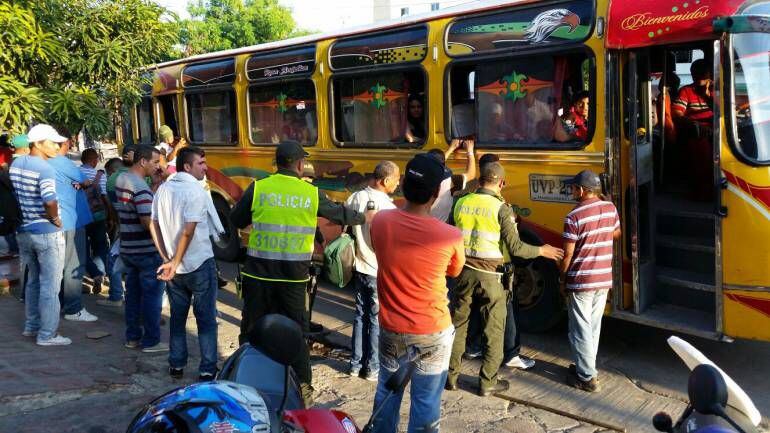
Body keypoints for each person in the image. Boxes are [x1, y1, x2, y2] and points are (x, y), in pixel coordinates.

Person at [229, 141, 372, 405]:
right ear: (299, 164)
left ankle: (242, 382)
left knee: (251, 328)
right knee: (297, 332)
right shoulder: (310, 193)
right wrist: (365, 217)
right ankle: (303, 387)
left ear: (277, 163)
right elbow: (339, 214)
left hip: (258, 275)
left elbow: (236, 220)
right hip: (293, 278)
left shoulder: (259, 188)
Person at [446, 162, 564, 396]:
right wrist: (542, 251)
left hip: (463, 273)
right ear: (502, 183)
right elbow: (517, 248)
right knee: (493, 329)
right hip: (492, 277)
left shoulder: (461, 202)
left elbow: (448, 235)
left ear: (480, 180)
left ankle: (450, 377)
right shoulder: (501, 209)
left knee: (459, 326)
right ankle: (487, 382)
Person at [368, 153, 465, 433]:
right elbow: (455, 270)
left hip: (391, 327)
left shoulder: (381, 221)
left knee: (387, 392)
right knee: (426, 401)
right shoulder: (450, 235)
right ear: (435, 194)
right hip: (431, 331)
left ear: (402, 186)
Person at [150, 146, 218, 381]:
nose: (205, 168)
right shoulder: (195, 191)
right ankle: (208, 368)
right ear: (187, 167)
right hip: (199, 263)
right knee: (206, 319)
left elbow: (153, 224)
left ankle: (176, 365)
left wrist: (166, 258)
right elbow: (188, 231)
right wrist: (174, 260)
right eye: (201, 163)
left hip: (174, 269)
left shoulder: (163, 190)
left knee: (178, 318)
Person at [559, 169, 620, 393]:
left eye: (574, 188)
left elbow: (567, 254)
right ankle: (587, 367)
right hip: (603, 278)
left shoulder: (574, 216)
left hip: (582, 280)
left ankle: (586, 377)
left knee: (579, 329)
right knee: (592, 327)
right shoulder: (610, 208)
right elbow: (616, 233)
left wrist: (562, 278)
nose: (572, 191)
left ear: (583, 190)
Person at [10, 124, 69, 345]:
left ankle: (31, 326)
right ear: (38, 143)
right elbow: (49, 200)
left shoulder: (17, 164)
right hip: (46, 232)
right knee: (50, 286)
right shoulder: (45, 169)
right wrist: (55, 219)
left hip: (24, 230)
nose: (57, 146)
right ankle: (47, 334)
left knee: (33, 281)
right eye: (52, 143)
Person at [344, 160, 400, 381]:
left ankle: (355, 364)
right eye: (396, 180)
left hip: (358, 265)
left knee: (360, 315)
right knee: (376, 319)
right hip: (377, 270)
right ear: (385, 180)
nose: (398, 184)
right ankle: (372, 368)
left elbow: (346, 224)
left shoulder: (355, 197)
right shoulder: (389, 209)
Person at [116, 144, 167, 353]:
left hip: (128, 248)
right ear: (143, 161)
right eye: (155, 162)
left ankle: (132, 338)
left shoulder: (122, 179)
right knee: (152, 297)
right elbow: (147, 222)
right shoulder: (140, 187)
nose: (158, 166)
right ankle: (151, 341)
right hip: (146, 251)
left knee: (133, 296)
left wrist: (154, 184)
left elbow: (140, 205)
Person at [48, 139, 97, 323]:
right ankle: (74, 308)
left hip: (55, 222)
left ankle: (61, 303)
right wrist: (81, 183)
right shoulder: (62, 161)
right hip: (70, 220)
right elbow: (86, 180)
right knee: (74, 264)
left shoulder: (41, 162)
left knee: (60, 265)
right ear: (65, 144)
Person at [80, 148, 110, 294]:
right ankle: (101, 274)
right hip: (98, 216)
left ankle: (94, 272)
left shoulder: (76, 172)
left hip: (80, 216)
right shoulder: (100, 175)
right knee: (100, 246)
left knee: (82, 247)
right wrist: (109, 215)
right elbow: (104, 197)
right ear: (93, 160)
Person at [97, 157, 126, 308]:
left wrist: (113, 221)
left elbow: (111, 204)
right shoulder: (140, 178)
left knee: (112, 260)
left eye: (108, 173)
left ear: (113, 170)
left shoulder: (113, 180)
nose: (108, 176)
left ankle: (116, 296)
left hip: (124, 227)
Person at [427, 138, 476, 221]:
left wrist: (451, 149)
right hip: (440, 225)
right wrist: (470, 151)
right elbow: (471, 174)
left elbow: (435, 164)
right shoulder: (449, 181)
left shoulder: (417, 177)